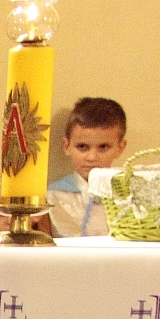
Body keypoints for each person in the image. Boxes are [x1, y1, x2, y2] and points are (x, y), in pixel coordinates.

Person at [48, 96, 128, 238]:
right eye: (82, 147)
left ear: (120, 148)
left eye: (103, 147)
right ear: (66, 146)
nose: (92, 157)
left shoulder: (128, 195)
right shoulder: (52, 197)